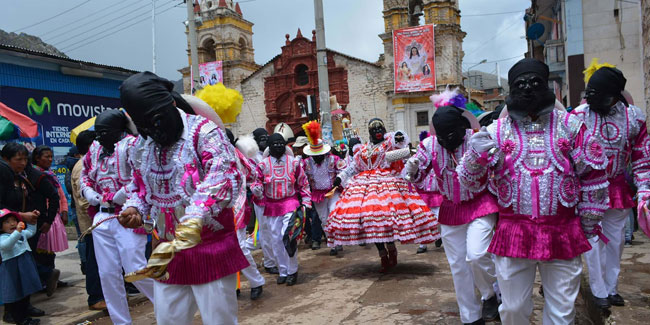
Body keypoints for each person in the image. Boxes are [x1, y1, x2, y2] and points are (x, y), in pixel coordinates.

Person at [458, 58, 609, 324]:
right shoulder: (496, 130)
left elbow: (593, 177)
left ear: (547, 86)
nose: (528, 90)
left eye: (535, 83)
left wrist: (587, 225)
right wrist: (476, 154)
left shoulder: (570, 126)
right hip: (514, 233)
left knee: (562, 311)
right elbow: (469, 182)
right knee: (513, 309)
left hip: (562, 232)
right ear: (511, 90)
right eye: (520, 84)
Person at [118, 72, 248, 324]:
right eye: (145, 125)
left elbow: (224, 176)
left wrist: (196, 215)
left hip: (211, 247)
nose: (154, 130)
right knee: (168, 319)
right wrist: (135, 207)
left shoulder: (204, 132)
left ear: (172, 104)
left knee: (218, 320)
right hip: (168, 252)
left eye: (157, 120)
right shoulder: (142, 144)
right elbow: (140, 186)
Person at [404, 89, 500, 324]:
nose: (447, 141)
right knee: (458, 266)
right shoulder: (430, 145)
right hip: (451, 208)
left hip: (480, 204)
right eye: (442, 137)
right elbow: (417, 175)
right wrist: (413, 168)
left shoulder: (476, 138)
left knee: (476, 255)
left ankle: (491, 294)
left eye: (451, 135)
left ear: (463, 127)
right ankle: (470, 317)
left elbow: (496, 165)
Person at [572, 60, 650, 309]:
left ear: (615, 97)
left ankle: (611, 287)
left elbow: (642, 158)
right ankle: (598, 291)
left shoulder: (633, 119)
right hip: (586, 190)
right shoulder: (577, 117)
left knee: (615, 242)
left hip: (617, 188)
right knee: (592, 241)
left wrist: (645, 189)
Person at [327, 118, 439, 272]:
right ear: (370, 132)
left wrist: (399, 140)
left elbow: (403, 147)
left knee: (386, 218)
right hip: (364, 188)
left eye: (381, 129)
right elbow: (353, 166)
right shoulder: (363, 149)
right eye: (375, 129)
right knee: (369, 218)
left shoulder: (389, 144)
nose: (378, 132)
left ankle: (391, 248)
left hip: (388, 185)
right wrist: (340, 177)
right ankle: (382, 253)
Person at [81, 109, 154, 324]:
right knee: (107, 275)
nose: (99, 136)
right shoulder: (94, 149)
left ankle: (168, 306)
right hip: (102, 218)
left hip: (127, 217)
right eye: (98, 131)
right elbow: (85, 175)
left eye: (104, 131)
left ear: (118, 130)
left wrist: (119, 196)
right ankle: (121, 321)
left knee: (135, 270)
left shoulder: (132, 145)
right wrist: (90, 194)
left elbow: (141, 177)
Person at [1, 143, 60, 307]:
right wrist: (21, 216)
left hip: (22, 227)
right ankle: (14, 311)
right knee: (12, 273)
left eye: (25, 159)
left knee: (26, 263)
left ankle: (25, 307)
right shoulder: (5, 178)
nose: (22, 163)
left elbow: (53, 197)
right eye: (18, 159)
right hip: (8, 231)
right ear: (6, 160)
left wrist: (40, 219)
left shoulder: (23, 176)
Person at [251, 133, 311, 286]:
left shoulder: (294, 163)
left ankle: (292, 271)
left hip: (290, 203)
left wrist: (306, 203)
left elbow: (303, 183)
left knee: (288, 236)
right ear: (269, 147)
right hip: (271, 206)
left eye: (280, 143)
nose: (278, 146)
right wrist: (257, 189)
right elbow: (256, 183)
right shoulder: (262, 165)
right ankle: (283, 271)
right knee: (276, 240)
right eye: (274, 143)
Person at [71, 130, 106, 310]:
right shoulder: (81, 167)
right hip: (93, 225)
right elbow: (84, 201)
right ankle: (95, 297)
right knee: (94, 261)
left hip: (98, 223)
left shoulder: (91, 163)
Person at [228, 131, 265, 300]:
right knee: (224, 250)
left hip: (237, 208)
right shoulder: (206, 156)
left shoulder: (240, 157)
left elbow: (254, 174)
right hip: (214, 212)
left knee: (241, 248)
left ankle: (256, 281)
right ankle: (232, 286)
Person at [301, 121, 345, 254]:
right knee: (324, 219)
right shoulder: (305, 164)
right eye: (315, 155)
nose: (318, 157)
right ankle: (332, 244)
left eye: (320, 154)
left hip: (333, 192)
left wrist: (339, 180)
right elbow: (301, 178)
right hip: (317, 195)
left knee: (333, 213)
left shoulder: (335, 160)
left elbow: (344, 172)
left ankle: (338, 241)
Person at [31, 146, 69, 290]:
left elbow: (60, 195)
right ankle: (44, 279)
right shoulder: (34, 175)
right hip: (43, 217)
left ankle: (51, 278)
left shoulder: (51, 175)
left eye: (50, 156)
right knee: (41, 251)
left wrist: (64, 210)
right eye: (46, 156)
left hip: (54, 216)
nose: (49, 159)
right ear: (37, 158)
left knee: (50, 251)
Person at [0, 209, 42, 325]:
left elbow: (31, 232)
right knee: (16, 295)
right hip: (12, 269)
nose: (12, 223)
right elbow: (6, 246)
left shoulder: (21, 233)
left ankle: (26, 318)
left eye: (14, 220)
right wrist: (17, 232)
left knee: (25, 295)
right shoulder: (3, 238)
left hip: (24, 266)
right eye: (7, 222)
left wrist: (33, 220)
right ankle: (20, 320)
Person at [251, 127, 279, 274]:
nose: (265, 141)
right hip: (261, 200)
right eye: (262, 139)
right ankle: (269, 262)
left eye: (266, 138)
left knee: (276, 230)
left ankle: (278, 259)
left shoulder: (272, 155)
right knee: (266, 231)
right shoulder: (251, 157)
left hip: (275, 198)